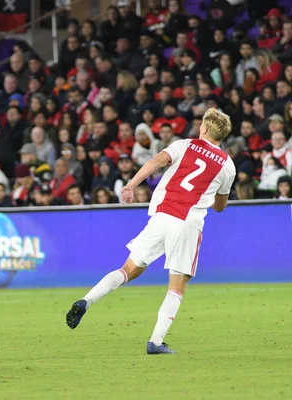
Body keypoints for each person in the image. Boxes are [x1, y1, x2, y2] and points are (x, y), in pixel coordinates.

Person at [66, 108, 236, 355]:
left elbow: (156, 162)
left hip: (161, 215)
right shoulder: (227, 165)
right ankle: (156, 341)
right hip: (187, 222)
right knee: (176, 287)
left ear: (204, 129)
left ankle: (86, 300)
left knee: (128, 270)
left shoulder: (184, 145)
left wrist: (130, 185)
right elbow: (220, 206)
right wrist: (211, 197)